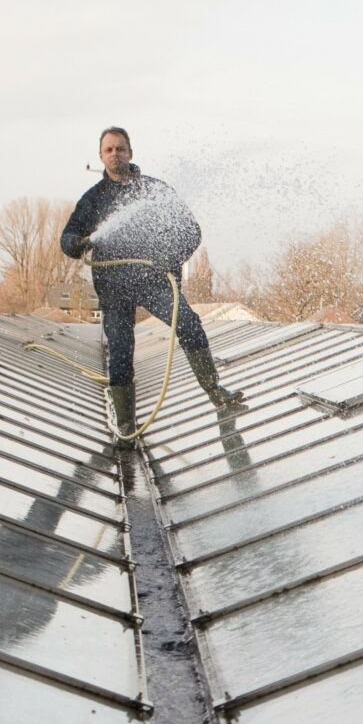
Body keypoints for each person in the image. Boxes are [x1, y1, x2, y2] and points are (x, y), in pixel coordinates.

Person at [60, 126, 242, 481]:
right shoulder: (93, 199)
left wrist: (168, 258)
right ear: (101, 157)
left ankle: (216, 391)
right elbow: (67, 236)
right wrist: (76, 243)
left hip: (153, 280)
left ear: (130, 151)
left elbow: (191, 230)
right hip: (113, 288)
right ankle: (126, 427)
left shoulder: (154, 190)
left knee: (188, 324)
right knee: (121, 350)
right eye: (109, 150)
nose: (115, 154)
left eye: (121, 148)